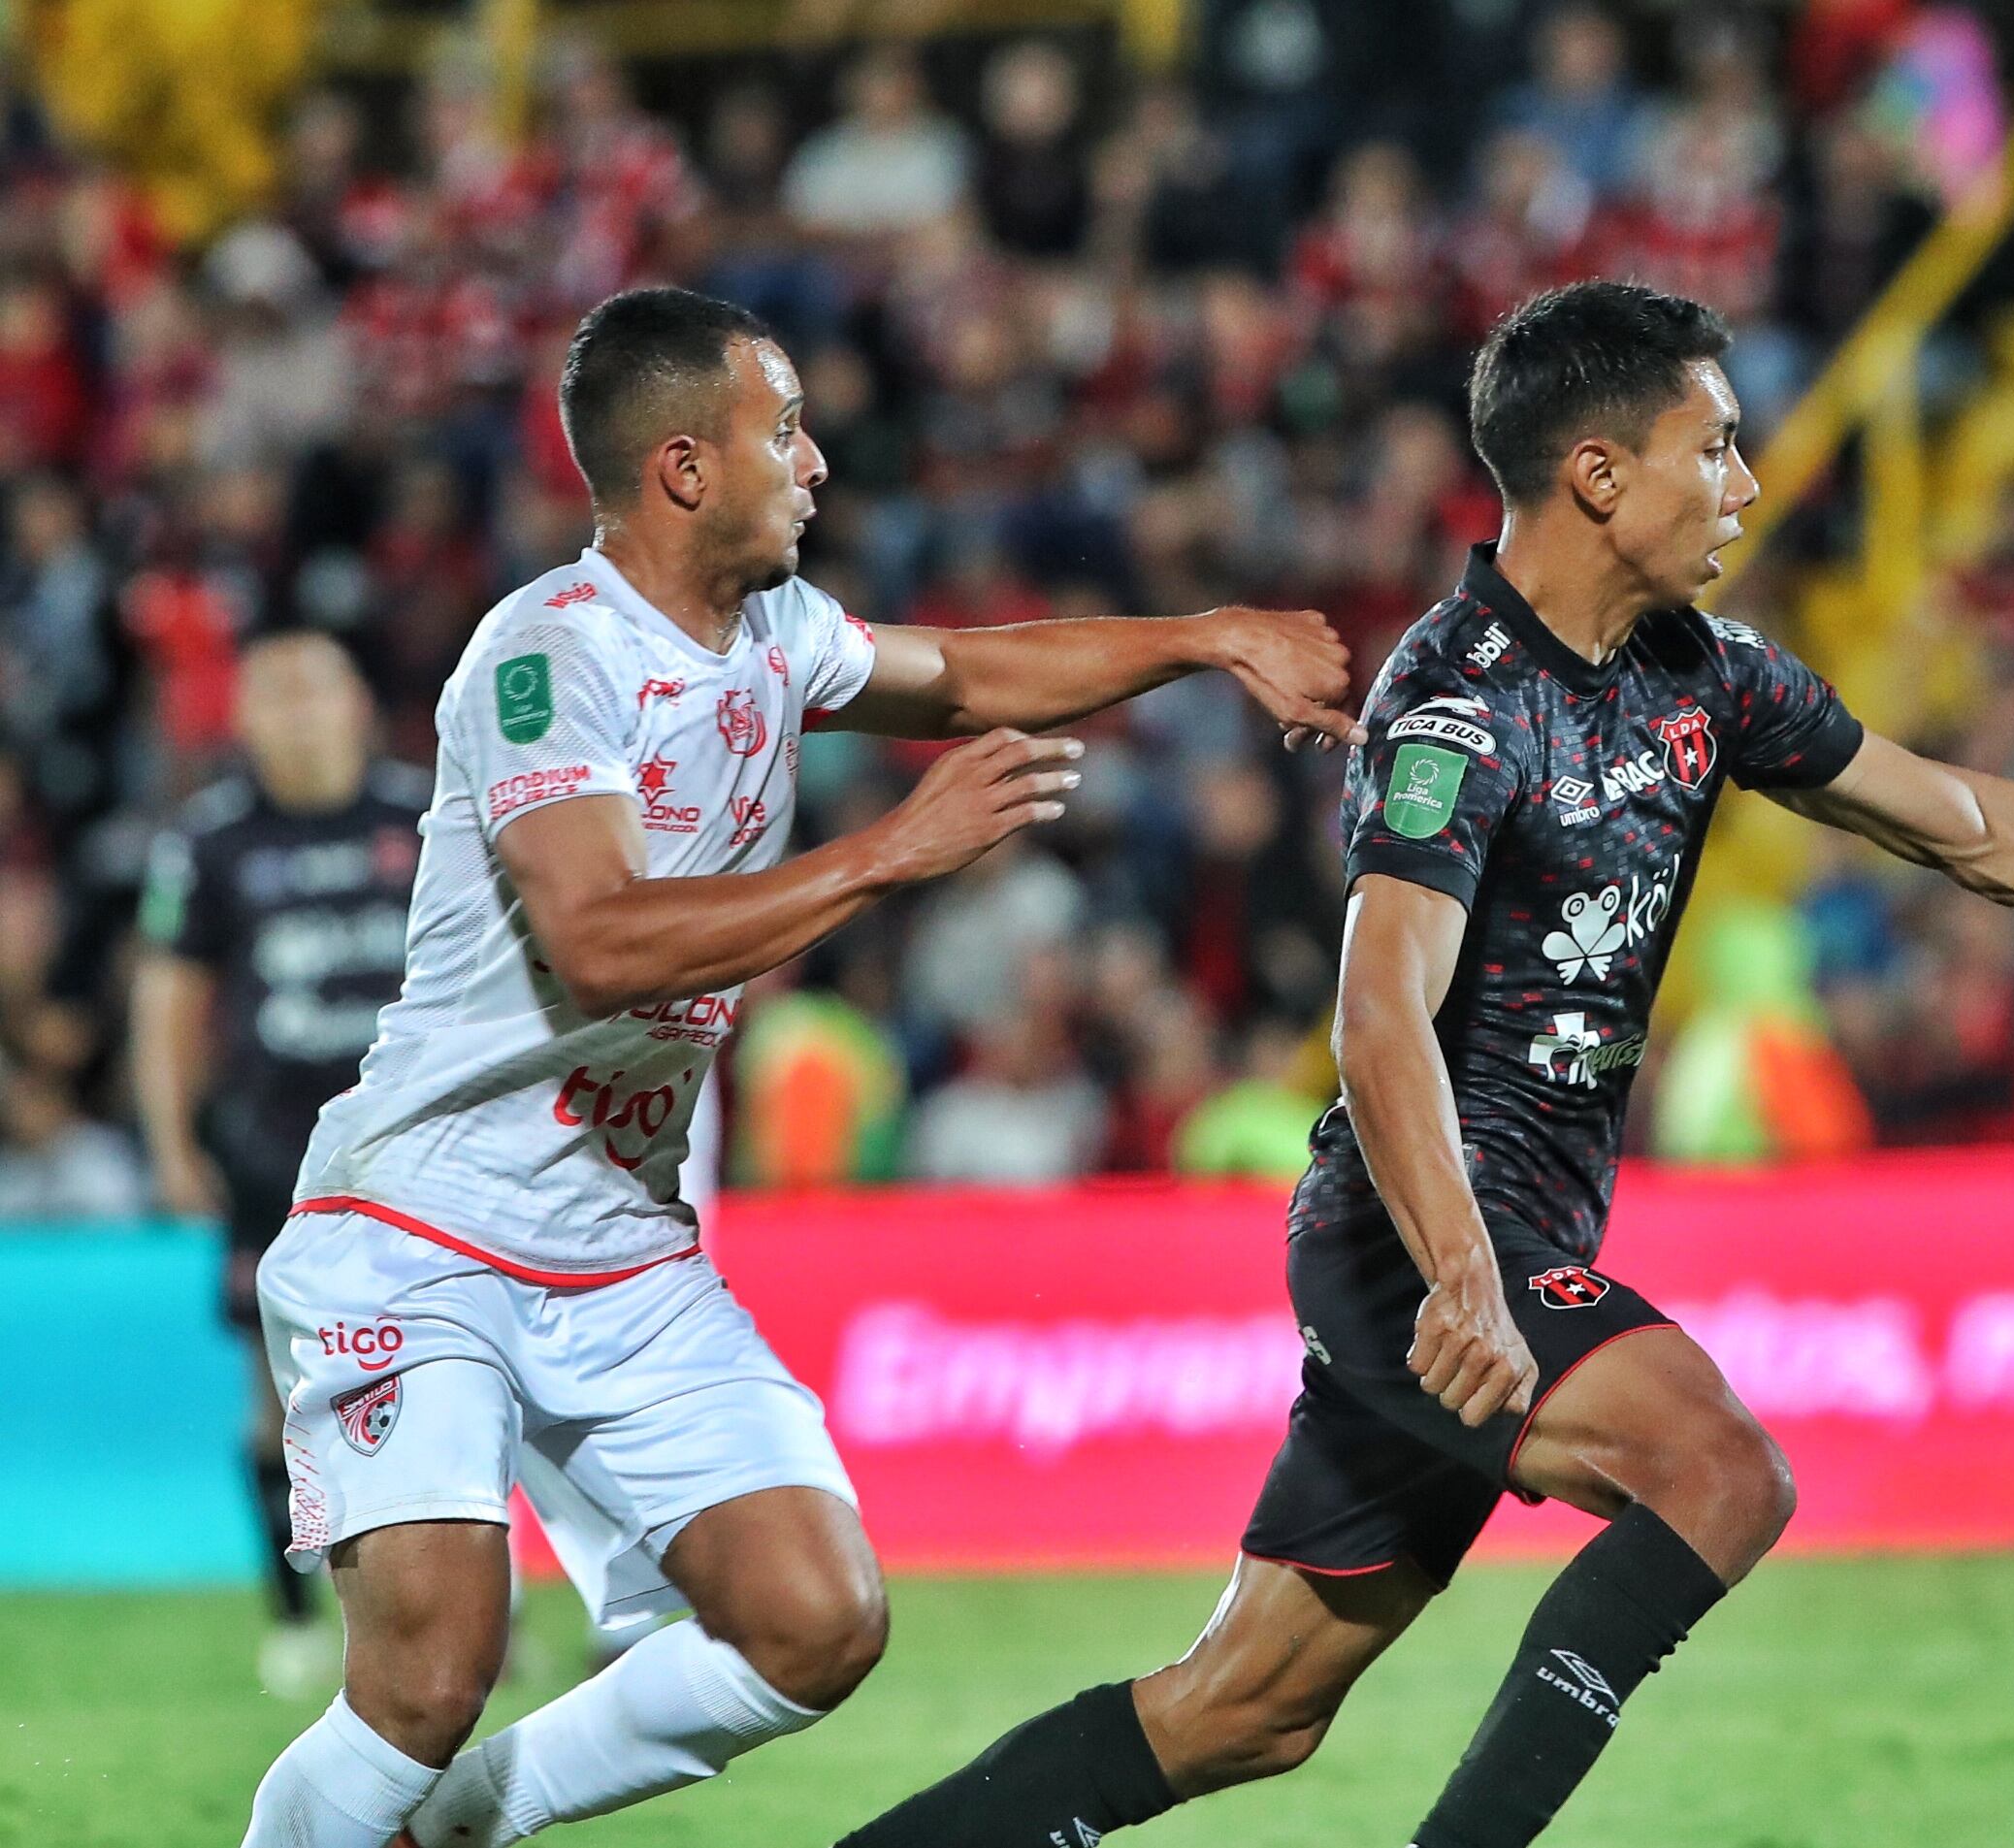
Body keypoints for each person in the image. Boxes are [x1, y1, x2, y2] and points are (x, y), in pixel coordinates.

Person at [831, 281, 2014, 1848]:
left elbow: (1984, 833)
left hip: (1511, 1254)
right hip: (1414, 1245)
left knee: (1239, 1717)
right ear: (1597, 473)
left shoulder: (1710, 682)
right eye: (1712, 445)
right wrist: (1466, 1280)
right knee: (1718, 1469)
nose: (1747, 482)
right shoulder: (1458, 703)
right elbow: (1376, 1018)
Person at [233, 284, 1360, 1848]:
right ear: (684, 466)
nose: (817, 461)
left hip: (615, 1245)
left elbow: (962, 675)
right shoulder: (545, 660)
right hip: (424, 1225)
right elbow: (606, 936)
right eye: (784, 429)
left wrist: (1203, 638)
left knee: (814, 1619)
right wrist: (891, 850)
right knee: (429, 1672)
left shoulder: (772, 631)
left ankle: (448, 1834)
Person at [132, 630, 428, 1700]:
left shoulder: (425, 815)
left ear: (359, 703)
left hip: (421, 1154)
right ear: (241, 718)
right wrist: (172, 1143)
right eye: (274, 692)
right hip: (274, 1162)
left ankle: (470, 1594)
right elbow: (167, 999)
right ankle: (298, 1614)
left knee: (460, 1369)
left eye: (316, 687)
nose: (297, 709)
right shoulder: (210, 842)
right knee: (281, 1398)